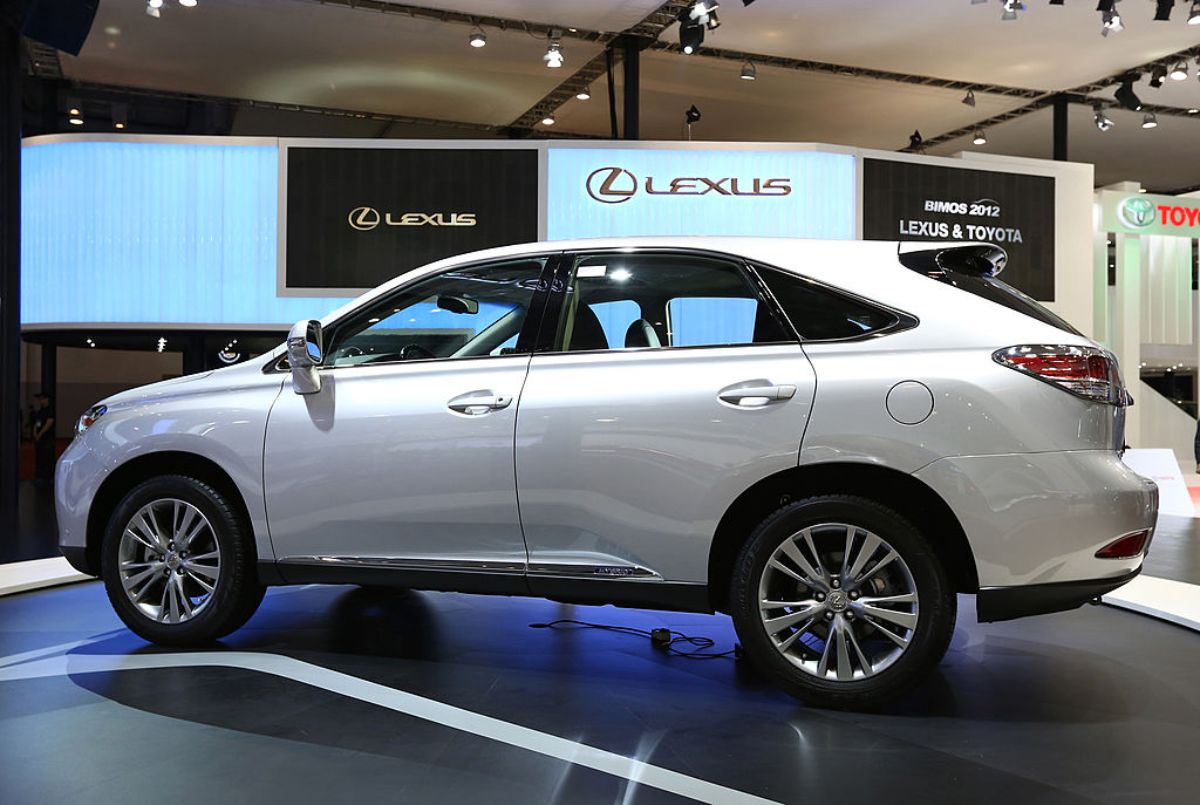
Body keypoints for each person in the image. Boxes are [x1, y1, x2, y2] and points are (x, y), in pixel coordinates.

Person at [31, 393, 55, 486]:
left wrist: (39, 434)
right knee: (40, 457)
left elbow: (49, 423)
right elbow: (37, 423)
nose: (40, 401)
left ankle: (48, 477)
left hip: (46, 438)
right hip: (40, 438)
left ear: (46, 399)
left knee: (47, 457)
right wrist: (35, 433)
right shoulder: (40, 411)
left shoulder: (49, 410)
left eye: (42, 399)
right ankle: (41, 477)